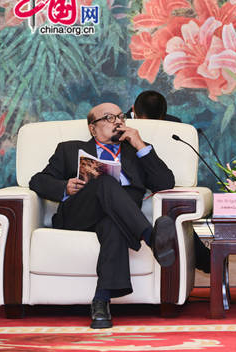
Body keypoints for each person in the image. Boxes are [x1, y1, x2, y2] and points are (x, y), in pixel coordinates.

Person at [29, 103, 177, 329]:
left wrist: (139, 144)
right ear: (92, 128)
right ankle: (150, 237)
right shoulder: (69, 149)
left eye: (120, 117)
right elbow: (37, 181)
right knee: (105, 181)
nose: (118, 121)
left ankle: (101, 302)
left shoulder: (135, 152)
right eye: (109, 118)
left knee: (112, 224)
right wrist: (64, 186)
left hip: (118, 218)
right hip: (77, 215)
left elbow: (165, 183)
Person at [127, 90, 211, 273]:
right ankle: (206, 261)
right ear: (133, 110)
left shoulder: (175, 126)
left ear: (164, 116)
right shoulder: (122, 125)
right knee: (167, 214)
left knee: (173, 207)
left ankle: (205, 262)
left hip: (164, 183)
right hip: (135, 189)